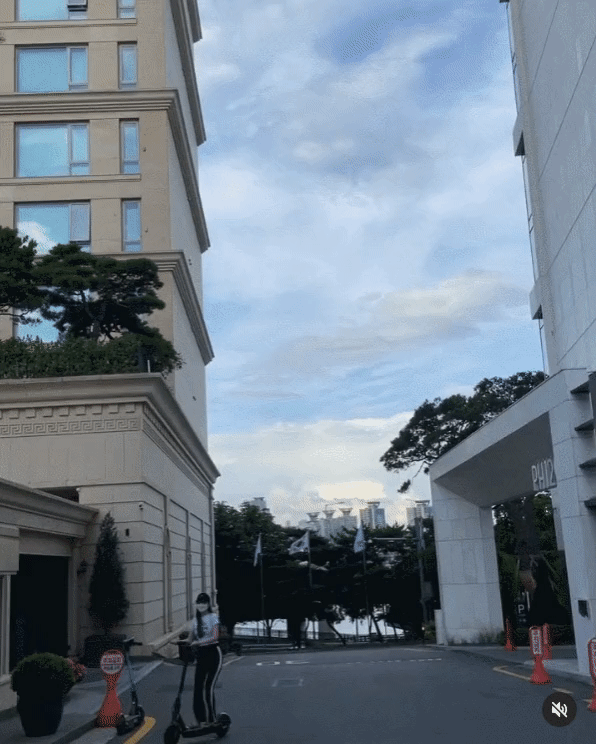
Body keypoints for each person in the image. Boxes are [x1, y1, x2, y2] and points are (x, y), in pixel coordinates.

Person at [190, 593, 223, 729]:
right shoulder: (195, 620)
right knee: (197, 688)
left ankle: (212, 719)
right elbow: (191, 638)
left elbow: (215, 637)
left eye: (204, 602)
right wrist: (182, 642)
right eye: (199, 602)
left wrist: (199, 642)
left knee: (208, 687)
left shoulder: (213, 617)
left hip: (214, 654)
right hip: (201, 656)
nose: (201, 605)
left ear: (208, 604)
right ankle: (200, 719)